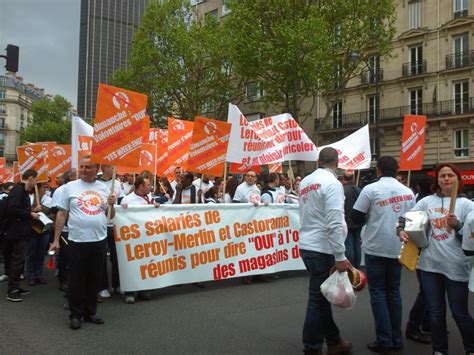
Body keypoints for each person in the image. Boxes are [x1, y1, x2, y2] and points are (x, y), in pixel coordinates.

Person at [397, 163, 474, 355]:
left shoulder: (468, 205)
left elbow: (471, 236)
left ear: (457, 179)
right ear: (437, 180)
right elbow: (405, 220)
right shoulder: (426, 202)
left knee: (460, 313)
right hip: (429, 266)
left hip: (456, 266)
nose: (446, 179)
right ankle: (439, 351)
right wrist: (401, 231)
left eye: (450, 175)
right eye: (442, 176)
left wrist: (457, 225)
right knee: (436, 313)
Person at [351, 156, 415, 353]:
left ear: (378, 170)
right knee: (394, 292)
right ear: (397, 170)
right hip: (398, 247)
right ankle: (396, 338)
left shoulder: (370, 189)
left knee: (378, 292)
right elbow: (413, 219)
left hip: (376, 246)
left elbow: (356, 216)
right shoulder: (408, 192)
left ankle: (384, 339)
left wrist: (372, 216)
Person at [50, 156, 116, 330]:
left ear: (97, 169)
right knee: (77, 279)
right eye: (82, 166)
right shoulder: (69, 187)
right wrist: (56, 239)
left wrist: (112, 204)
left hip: (99, 240)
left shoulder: (103, 188)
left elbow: (111, 215)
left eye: (89, 167)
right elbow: (62, 214)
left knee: (94, 278)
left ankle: (90, 312)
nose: (85, 170)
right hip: (77, 240)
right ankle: (75, 314)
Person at [298, 147, 352, 355]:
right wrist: (340, 255)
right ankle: (311, 347)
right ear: (336, 163)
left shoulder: (305, 182)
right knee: (317, 299)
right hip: (322, 247)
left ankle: (333, 340)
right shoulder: (333, 184)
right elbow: (334, 221)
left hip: (308, 244)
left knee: (321, 297)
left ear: (318, 160)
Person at [120, 176, 158, 304]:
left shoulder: (149, 198)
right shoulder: (128, 199)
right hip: (133, 239)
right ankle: (130, 292)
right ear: (141, 186)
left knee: (146, 264)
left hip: (146, 237)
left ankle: (143, 290)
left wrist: (156, 206)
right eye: (148, 185)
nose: (150, 187)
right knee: (132, 265)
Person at [4, 169, 40, 302]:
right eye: (35, 180)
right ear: (30, 178)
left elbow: (18, 209)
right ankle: (12, 291)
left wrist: (31, 211)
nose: (36, 183)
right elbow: (12, 209)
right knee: (17, 261)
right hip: (17, 232)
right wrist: (30, 214)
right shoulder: (18, 191)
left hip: (21, 231)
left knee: (18, 261)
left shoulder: (22, 192)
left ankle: (16, 287)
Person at [97, 164, 124, 299]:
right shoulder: (96, 183)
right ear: (104, 168)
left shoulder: (117, 184)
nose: (115, 170)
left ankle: (117, 284)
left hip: (115, 224)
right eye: (111, 168)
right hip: (101, 224)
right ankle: (102, 286)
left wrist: (122, 203)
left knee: (116, 257)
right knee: (101, 258)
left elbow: (121, 200)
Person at [25, 182, 52, 286]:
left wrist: (42, 208)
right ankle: (31, 276)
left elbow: (51, 213)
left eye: (46, 187)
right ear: (38, 187)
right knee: (31, 253)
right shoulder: (29, 197)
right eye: (43, 187)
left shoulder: (49, 199)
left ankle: (39, 275)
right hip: (31, 230)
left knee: (40, 254)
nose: (45, 189)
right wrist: (33, 209)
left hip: (44, 230)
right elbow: (25, 212)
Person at [340, 172, 363, 268]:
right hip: (358, 221)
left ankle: (351, 267)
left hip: (346, 221)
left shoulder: (342, 190)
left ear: (343, 179)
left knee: (348, 244)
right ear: (353, 179)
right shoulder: (359, 190)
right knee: (357, 244)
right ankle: (357, 266)